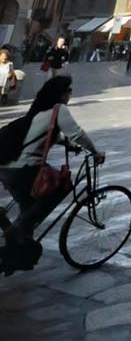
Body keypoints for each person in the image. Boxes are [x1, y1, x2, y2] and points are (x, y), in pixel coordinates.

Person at [0, 74, 105, 255]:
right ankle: (15, 230)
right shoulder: (59, 109)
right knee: (63, 186)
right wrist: (95, 152)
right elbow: (77, 134)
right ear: (61, 94)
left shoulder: (38, 111)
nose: (70, 95)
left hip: (7, 168)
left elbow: (41, 134)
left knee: (28, 206)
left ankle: (20, 248)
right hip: (24, 170)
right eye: (69, 91)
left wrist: (65, 144)